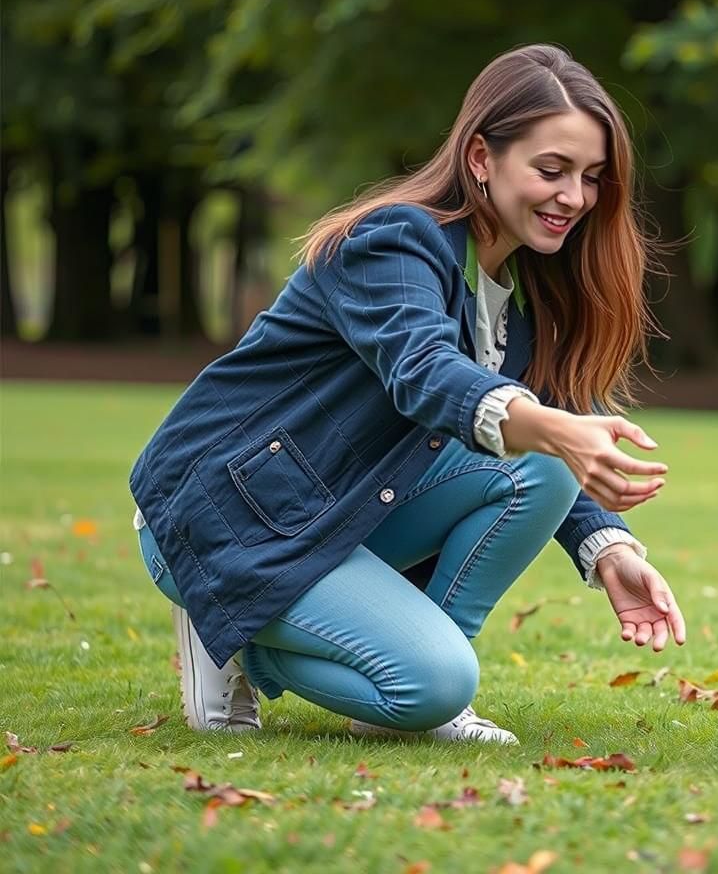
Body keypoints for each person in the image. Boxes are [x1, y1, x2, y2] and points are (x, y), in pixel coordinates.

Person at [131, 44, 686, 744]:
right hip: (224, 516)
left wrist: (609, 550)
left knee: (542, 465)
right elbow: (424, 370)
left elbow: (542, 440)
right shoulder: (396, 241)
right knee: (436, 679)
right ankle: (232, 630)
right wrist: (550, 425)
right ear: (481, 158)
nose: (574, 197)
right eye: (551, 170)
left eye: (592, 177)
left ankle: (419, 672)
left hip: (332, 507)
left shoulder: (523, 289)